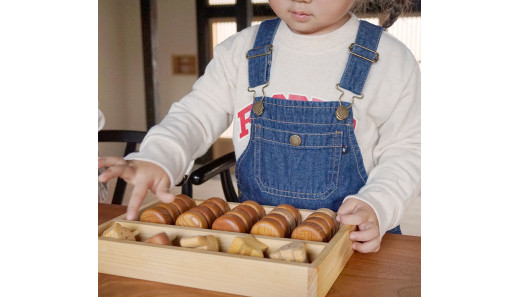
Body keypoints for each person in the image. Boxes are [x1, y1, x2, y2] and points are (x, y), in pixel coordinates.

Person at [98, 0, 420, 253]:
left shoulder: (390, 60)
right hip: (255, 244)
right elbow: (195, 115)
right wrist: (158, 157)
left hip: (355, 246)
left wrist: (379, 204)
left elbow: (408, 150)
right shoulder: (241, 52)